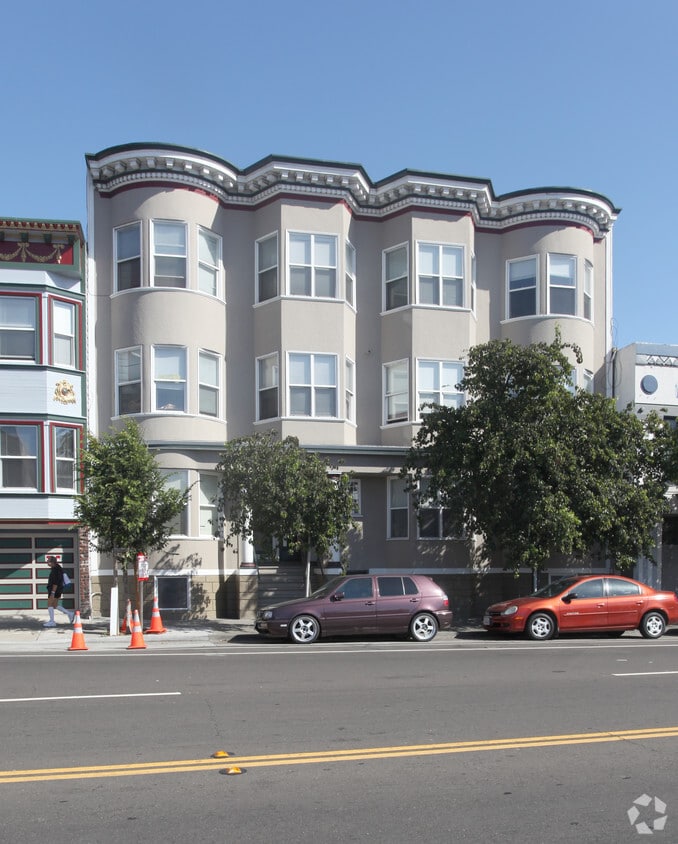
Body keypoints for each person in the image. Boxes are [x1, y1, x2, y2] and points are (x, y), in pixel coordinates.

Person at [44, 556, 74, 627]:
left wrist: (53, 592)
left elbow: (55, 582)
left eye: (48, 561)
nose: (47, 562)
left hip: (55, 590)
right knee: (55, 605)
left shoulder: (55, 570)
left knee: (49, 604)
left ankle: (52, 621)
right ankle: (70, 613)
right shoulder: (58, 568)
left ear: (52, 562)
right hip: (59, 590)